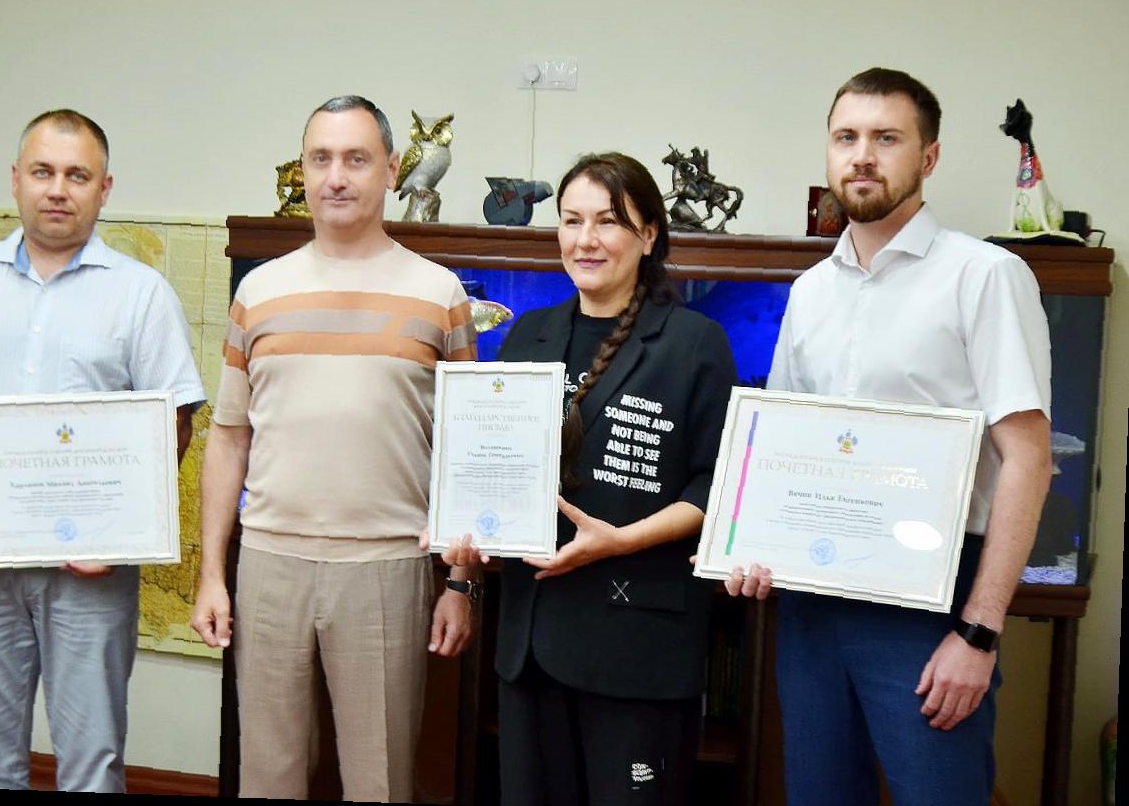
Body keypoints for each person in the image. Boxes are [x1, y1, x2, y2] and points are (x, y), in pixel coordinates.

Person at [728, 67, 1052, 806]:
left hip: (931, 603)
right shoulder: (811, 292)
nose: (863, 156)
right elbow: (783, 448)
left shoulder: (986, 276)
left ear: (928, 157)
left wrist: (978, 631)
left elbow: (1029, 458)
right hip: (812, 600)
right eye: (846, 137)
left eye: (887, 138)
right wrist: (751, 545)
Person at [0, 109, 205, 791]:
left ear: (104, 189)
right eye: (43, 172)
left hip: (92, 571)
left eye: (77, 175)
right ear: (16, 179)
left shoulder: (140, 294)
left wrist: (123, 529)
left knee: (92, 761)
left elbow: (174, 419)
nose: (58, 189)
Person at [189, 95, 481, 802]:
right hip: (269, 564)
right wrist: (211, 574)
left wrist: (461, 583)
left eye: (356, 158)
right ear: (304, 169)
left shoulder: (439, 294)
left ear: (392, 169)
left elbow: (470, 448)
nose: (336, 176)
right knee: (268, 774)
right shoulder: (259, 292)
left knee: (381, 779)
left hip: (387, 568)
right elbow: (229, 436)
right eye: (320, 159)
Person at [446, 152, 736, 805]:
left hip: (636, 645)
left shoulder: (695, 343)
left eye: (608, 221)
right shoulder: (528, 335)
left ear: (648, 235)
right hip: (531, 641)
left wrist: (621, 540)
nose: (586, 239)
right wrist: (461, 550)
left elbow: (714, 487)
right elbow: (490, 465)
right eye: (572, 220)